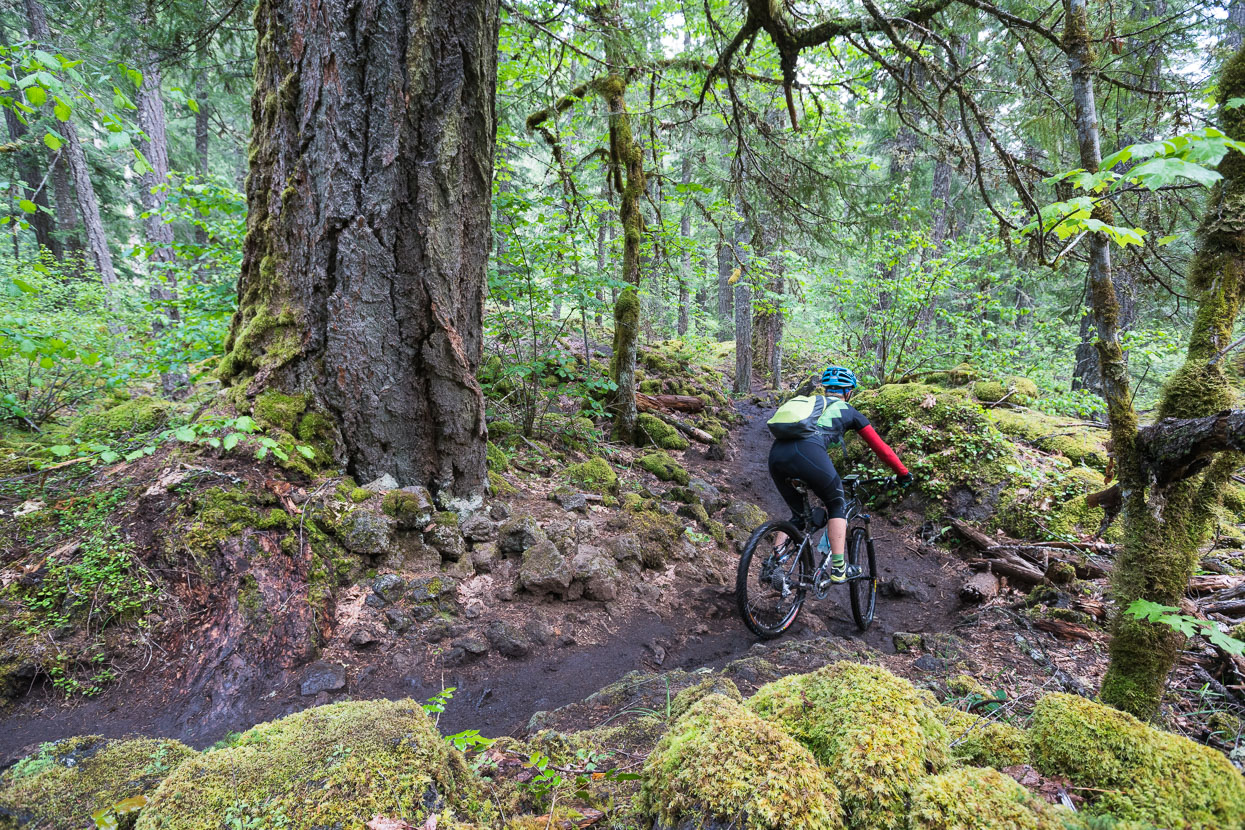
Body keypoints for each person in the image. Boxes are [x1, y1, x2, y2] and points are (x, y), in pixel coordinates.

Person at [767, 366, 911, 583]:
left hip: (777, 455)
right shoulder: (849, 411)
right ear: (848, 391)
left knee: (798, 516)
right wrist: (902, 473)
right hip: (809, 453)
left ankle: (774, 564)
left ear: (826, 389)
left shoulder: (811, 404)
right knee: (836, 504)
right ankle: (838, 569)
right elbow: (882, 449)